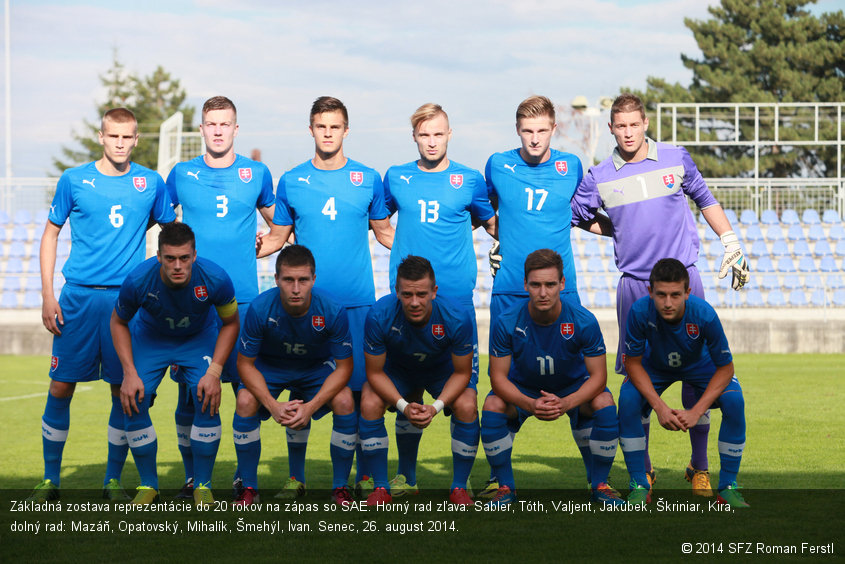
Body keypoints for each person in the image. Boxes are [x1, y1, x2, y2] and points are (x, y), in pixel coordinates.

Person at [570, 93, 750, 496]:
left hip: (683, 280)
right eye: (621, 126)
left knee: (696, 374)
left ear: (645, 123)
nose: (628, 132)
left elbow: (705, 199)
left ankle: (699, 468)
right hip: (635, 284)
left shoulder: (675, 157)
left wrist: (731, 241)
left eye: (634, 124)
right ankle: (644, 472)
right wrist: (617, 228)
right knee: (637, 381)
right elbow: (577, 216)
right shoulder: (599, 176)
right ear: (612, 128)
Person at [29, 108, 176, 502]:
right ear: (101, 136)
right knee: (61, 387)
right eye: (114, 136)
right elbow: (50, 235)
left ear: (136, 139)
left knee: (123, 390)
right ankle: (50, 480)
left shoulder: (150, 182)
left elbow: (172, 234)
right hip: (77, 298)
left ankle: (113, 479)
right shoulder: (74, 180)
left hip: (125, 304)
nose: (121, 144)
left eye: (128, 137)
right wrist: (47, 294)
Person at [258, 96, 393, 497]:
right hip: (303, 309)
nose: (328, 133)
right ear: (312, 130)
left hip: (356, 307)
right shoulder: (293, 180)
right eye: (321, 126)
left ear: (346, 131)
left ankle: (356, 480)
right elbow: (278, 239)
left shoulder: (367, 178)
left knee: (357, 397)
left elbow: (385, 233)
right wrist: (239, 249)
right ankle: (296, 478)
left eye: (335, 126)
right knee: (302, 389)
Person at [166, 95, 280, 499]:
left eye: (224, 124)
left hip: (245, 302)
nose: (217, 130)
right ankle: (194, 479)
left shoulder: (257, 173)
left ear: (235, 128)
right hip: (193, 304)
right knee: (191, 395)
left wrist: (263, 247)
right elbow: (165, 228)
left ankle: (245, 482)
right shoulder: (181, 174)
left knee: (245, 393)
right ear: (202, 130)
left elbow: (281, 227)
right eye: (211, 124)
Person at [381, 103, 495, 497]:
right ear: (414, 137)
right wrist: (404, 251)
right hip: (408, 303)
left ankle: (459, 485)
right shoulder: (396, 177)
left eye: (438, 134)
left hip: (456, 303)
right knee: (408, 388)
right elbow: (380, 222)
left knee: (465, 397)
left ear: (450, 135)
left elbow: (489, 221)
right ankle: (406, 478)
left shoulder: (470, 179)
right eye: (424, 134)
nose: (432, 141)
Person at [481, 95, 587, 497]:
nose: (535, 139)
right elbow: (482, 207)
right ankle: (500, 480)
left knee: (580, 380)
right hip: (510, 290)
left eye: (542, 130)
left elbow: (587, 213)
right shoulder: (497, 164)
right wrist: (498, 236)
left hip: (565, 290)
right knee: (503, 384)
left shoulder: (571, 166)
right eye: (527, 131)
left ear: (553, 129)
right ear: (517, 130)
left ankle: (599, 479)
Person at [480, 249, 624, 507]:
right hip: (524, 389)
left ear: (562, 284)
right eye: (535, 285)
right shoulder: (506, 321)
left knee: (604, 400)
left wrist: (567, 403)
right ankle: (505, 486)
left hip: (572, 388)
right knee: (492, 405)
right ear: (525, 284)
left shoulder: (583, 321)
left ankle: (601, 484)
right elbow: (498, 379)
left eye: (549, 284)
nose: (543, 292)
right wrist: (529, 404)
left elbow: (599, 377)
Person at [110, 223, 239, 506]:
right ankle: (148, 486)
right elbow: (118, 322)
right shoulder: (138, 280)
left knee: (206, 396)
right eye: (170, 258)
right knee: (134, 397)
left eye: (184, 258)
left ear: (194, 255)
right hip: (152, 339)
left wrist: (215, 371)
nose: (177, 265)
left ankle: (202, 485)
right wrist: (129, 373)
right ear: (159, 256)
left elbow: (231, 323)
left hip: (198, 339)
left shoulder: (215, 278)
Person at [618, 258, 748, 508]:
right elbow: (632, 363)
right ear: (650, 292)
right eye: (661, 295)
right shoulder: (638, 311)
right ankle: (639, 485)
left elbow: (726, 367)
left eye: (675, 295)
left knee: (734, 400)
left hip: (700, 366)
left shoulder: (704, 314)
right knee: (627, 400)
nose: (668, 303)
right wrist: (660, 407)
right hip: (654, 366)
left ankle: (728, 488)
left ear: (687, 292)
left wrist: (696, 411)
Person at [233, 245, 357, 506]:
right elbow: (244, 364)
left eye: (303, 280)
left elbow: (345, 368)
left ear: (314, 279)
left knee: (345, 400)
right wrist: (273, 406)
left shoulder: (332, 310)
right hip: (271, 366)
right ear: (276, 279)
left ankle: (340, 488)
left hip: (315, 367)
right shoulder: (259, 308)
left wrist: (310, 407)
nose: (296, 288)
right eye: (288, 280)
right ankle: (249, 488)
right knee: (244, 400)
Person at [358, 256, 477, 505]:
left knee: (467, 403)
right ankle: (382, 487)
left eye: (421, 294)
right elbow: (375, 373)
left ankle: (459, 487)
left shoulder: (456, 316)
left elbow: (462, 372)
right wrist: (403, 405)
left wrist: (435, 407)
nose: (414, 302)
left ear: (434, 291)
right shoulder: (379, 314)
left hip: (441, 371)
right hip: (399, 370)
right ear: (396, 291)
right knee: (369, 400)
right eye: (407, 294)